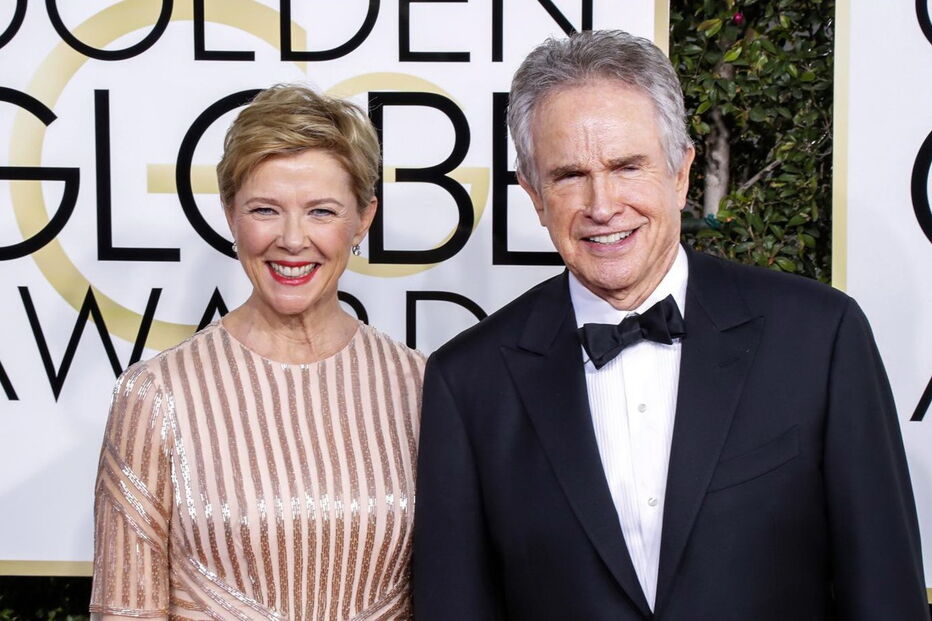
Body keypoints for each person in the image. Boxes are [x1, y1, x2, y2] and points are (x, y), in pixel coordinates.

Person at [413, 30, 927, 620]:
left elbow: (885, 594)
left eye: (627, 166)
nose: (602, 205)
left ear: (680, 173)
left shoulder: (819, 336)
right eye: (568, 175)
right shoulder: (468, 381)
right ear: (533, 194)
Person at [90, 84, 424, 619]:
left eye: (321, 211)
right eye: (265, 209)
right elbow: (123, 610)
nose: (292, 240)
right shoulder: (156, 396)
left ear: (364, 218)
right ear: (229, 214)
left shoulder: (420, 386)